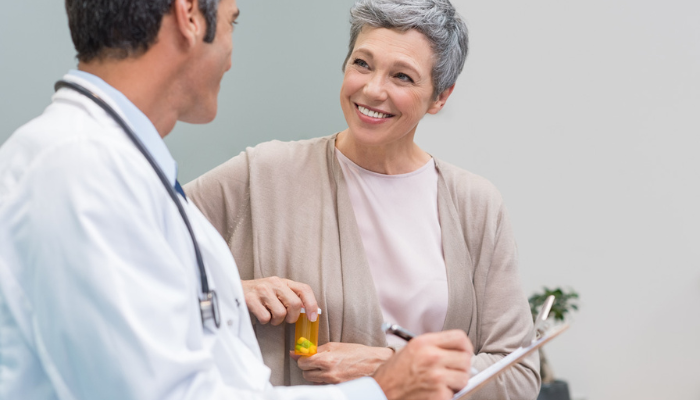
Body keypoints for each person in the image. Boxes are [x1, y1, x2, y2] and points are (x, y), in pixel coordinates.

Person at [0, 0, 475, 399]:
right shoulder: (80, 170)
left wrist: (227, 289)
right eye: (232, 21)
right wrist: (380, 388)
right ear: (190, 16)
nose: (231, 55)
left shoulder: (116, 168)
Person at [185, 0, 540, 398]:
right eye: (362, 64)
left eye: (402, 76)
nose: (372, 90)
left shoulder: (477, 205)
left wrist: (387, 366)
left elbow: (519, 373)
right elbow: (134, 254)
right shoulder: (263, 173)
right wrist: (232, 286)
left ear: (440, 97)